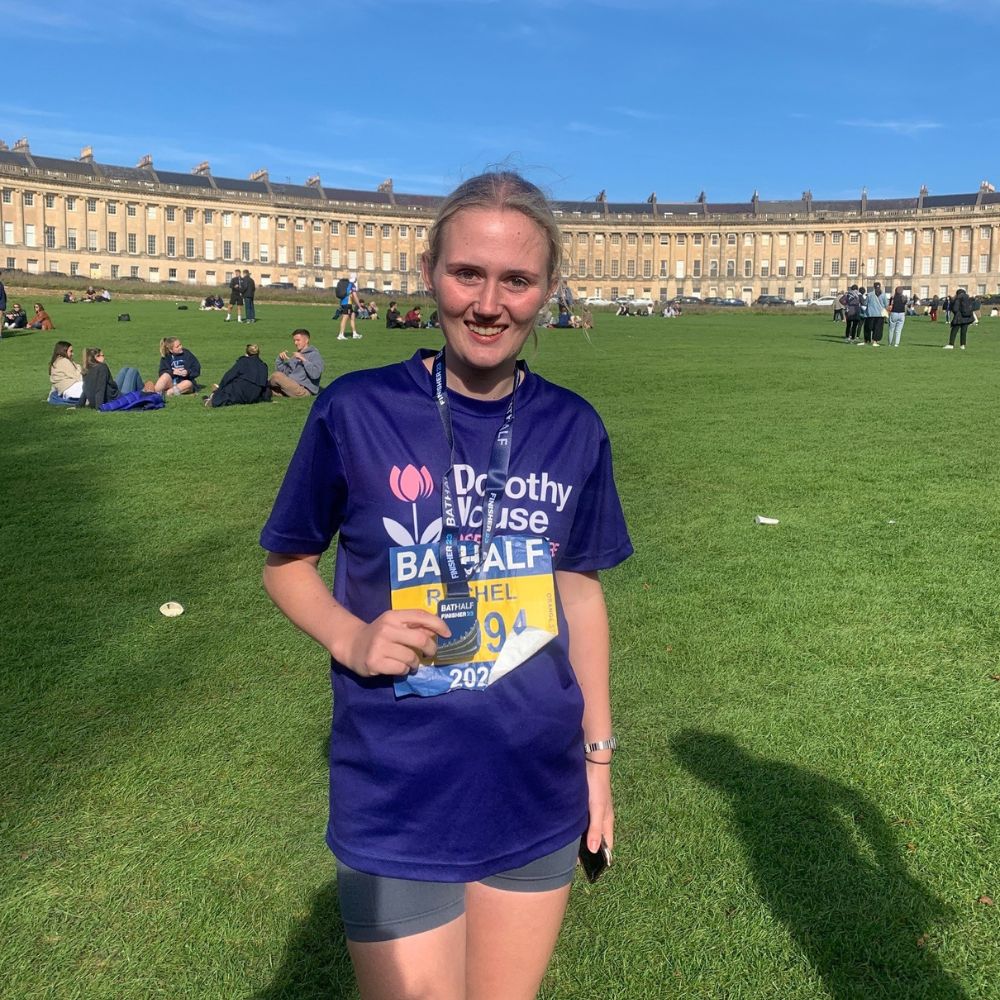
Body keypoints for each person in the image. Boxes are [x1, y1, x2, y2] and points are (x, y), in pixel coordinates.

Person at [260, 170, 632, 1000]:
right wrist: (351, 636)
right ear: (430, 272)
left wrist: (597, 763)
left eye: (517, 280)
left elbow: (579, 591)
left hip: (535, 781)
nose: (489, 303)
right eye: (468, 273)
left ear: (548, 291)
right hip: (400, 785)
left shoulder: (573, 426)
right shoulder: (356, 409)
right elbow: (285, 564)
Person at [205, 343, 270, 407]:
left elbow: (229, 376)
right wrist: (266, 398)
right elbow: (265, 384)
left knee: (226, 392)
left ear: (247, 353)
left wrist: (220, 388)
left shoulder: (243, 361)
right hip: (253, 396)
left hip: (240, 392)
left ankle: (213, 396)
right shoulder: (264, 366)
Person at [81, 347, 147, 407]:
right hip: (115, 400)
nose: (104, 358)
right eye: (102, 355)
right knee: (133, 371)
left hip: (112, 393)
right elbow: (100, 388)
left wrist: (79, 404)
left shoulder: (86, 369)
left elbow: (85, 389)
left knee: (124, 369)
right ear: (96, 357)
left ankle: (143, 393)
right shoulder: (102, 367)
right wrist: (99, 407)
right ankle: (144, 395)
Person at [269, 328, 324, 397]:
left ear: (306, 340)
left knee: (277, 376)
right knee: (268, 389)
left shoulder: (314, 355)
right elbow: (284, 372)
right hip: (292, 386)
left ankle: (264, 386)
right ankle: (263, 389)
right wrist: (280, 360)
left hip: (304, 390)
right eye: (294, 340)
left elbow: (315, 375)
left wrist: (304, 360)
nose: (295, 343)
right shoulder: (296, 355)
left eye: (298, 340)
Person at [338, 272, 363, 341]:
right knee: (345, 318)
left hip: (344, 303)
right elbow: (354, 296)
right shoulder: (352, 285)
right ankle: (341, 334)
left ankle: (354, 334)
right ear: (355, 278)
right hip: (347, 304)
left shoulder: (347, 284)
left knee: (352, 317)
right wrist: (360, 306)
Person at [863, 281, 888, 347]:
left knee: (868, 327)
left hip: (870, 314)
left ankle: (867, 340)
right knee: (878, 328)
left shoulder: (870, 294)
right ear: (880, 286)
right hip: (880, 314)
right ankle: (875, 341)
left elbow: (865, 303)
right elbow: (886, 304)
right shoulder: (883, 294)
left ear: (873, 287)